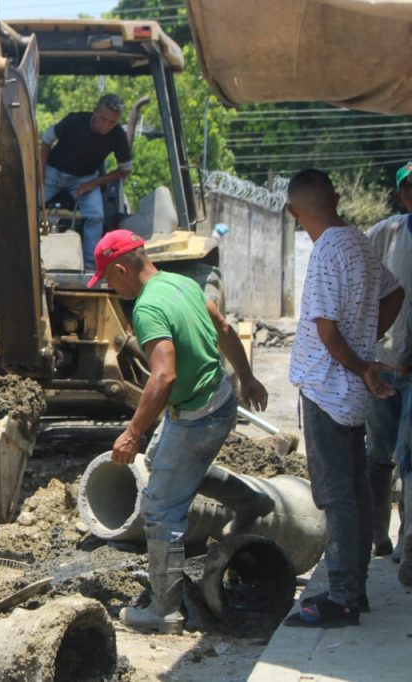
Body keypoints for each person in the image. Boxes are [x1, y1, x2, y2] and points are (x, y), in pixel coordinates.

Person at [88, 229, 270, 634]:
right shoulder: (182, 283)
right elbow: (223, 325)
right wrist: (248, 378)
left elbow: (163, 375)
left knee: (159, 510)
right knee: (162, 465)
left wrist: (133, 431)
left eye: (108, 279)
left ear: (121, 269)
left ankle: (164, 611)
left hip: (196, 416)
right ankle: (249, 501)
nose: (109, 288)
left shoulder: (147, 308)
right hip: (218, 400)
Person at [283, 169, 403, 628]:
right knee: (352, 489)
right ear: (335, 196)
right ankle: (356, 589)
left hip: (327, 388)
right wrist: (367, 345)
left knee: (337, 497)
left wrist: (361, 363)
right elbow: (396, 294)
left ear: (294, 212)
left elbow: (327, 330)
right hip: (347, 389)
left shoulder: (328, 250)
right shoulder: (357, 240)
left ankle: (343, 598)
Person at [364, 161, 412, 561]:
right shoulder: (385, 235)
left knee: (410, 458)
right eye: (410, 188)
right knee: (379, 456)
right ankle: (380, 536)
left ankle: (409, 543)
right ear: (401, 195)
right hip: (384, 363)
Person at [41, 93, 133, 269]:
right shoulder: (74, 121)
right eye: (103, 119)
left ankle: (90, 265)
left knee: (96, 215)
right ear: (94, 112)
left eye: (112, 122)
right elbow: (46, 141)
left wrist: (94, 183)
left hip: (85, 178)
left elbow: (125, 169)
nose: (106, 126)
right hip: (53, 172)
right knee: (26, 206)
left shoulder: (117, 136)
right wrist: (40, 172)